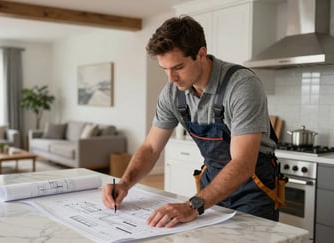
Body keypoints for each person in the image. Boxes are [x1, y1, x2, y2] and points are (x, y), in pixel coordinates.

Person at [102, 15, 279, 227]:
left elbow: (243, 163)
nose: (171, 79)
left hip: (254, 190)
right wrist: (125, 183)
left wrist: (191, 206)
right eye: (164, 69)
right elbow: (150, 148)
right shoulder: (172, 93)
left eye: (178, 67)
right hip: (211, 187)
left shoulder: (241, 86)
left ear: (201, 54)